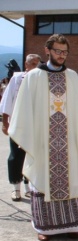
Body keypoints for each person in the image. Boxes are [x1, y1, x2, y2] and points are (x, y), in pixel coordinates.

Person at [8, 34, 78, 241]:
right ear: (47, 50)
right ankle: (44, 227)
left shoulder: (72, 76)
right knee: (43, 178)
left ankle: (71, 224)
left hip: (67, 142)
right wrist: (27, 135)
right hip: (43, 141)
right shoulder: (34, 76)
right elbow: (24, 108)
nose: (61, 55)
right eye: (57, 51)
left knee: (69, 177)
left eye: (65, 52)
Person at [0, 54, 41, 201]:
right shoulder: (17, 79)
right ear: (26, 64)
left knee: (32, 156)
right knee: (16, 157)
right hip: (17, 125)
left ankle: (28, 187)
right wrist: (5, 123)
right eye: (33, 64)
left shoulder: (41, 81)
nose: (35, 67)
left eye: (38, 64)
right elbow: (7, 101)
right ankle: (15, 188)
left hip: (35, 126)